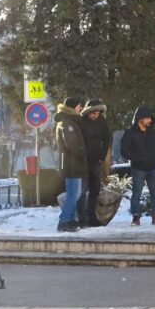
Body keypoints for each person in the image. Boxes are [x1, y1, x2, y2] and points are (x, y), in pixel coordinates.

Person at [121, 105, 155, 227]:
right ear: (140, 119)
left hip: (153, 167)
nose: (150, 121)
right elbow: (124, 150)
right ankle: (136, 218)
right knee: (136, 193)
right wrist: (136, 158)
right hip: (138, 168)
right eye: (147, 118)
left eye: (150, 118)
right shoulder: (129, 133)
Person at [55, 97, 86, 232]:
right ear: (74, 107)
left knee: (75, 193)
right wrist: (83, 152)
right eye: (80, 106)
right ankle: (64, 221)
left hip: (72, 162)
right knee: (73, 193)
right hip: (71, 163)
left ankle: (71, 220)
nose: (81, 109)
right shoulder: (67, 122)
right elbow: (72, 144)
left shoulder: (69, 120)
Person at [78, 99, 111, 227]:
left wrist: (102, 157)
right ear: (88, 112)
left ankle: (91, 216)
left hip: (96, 161)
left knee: (95, 189)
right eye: (93, 113)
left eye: (98, 113)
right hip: (83, 161)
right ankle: (81, 217)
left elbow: (106, 139)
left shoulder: (102, 122)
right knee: (82, 190)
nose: (96, 116)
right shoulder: (81, 122)